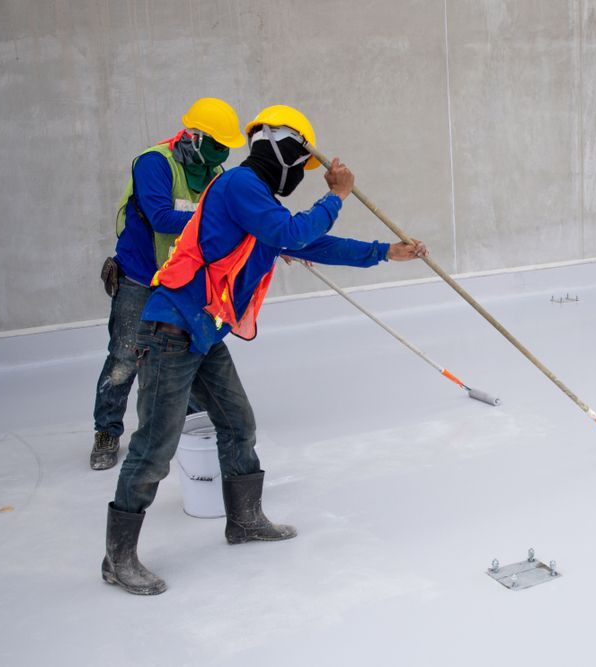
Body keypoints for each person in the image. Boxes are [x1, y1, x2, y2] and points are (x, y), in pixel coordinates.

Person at [102, 104, 428, 595]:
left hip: (204, 331)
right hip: (170, 331)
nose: (301, 173)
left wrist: (384, 252)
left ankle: (245, 521)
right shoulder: (240, 186)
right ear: (283, 152)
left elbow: (310, 244)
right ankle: (117, 560)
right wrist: (337, 195)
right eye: (301, 162)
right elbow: (291, 233)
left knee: (238, 423)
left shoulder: (259, 202)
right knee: (154, 448)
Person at [91, 98, 246, 471]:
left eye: (226, 146)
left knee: (183, 354)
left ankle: (181, 425)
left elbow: (229, 216)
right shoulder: (154, 162)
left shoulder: (214, 170)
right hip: (140, 275)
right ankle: (107, 431)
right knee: (126, 355)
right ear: (193, 137)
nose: (222, 152)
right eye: (216, 143)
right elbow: (161, 217)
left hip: (182, 281)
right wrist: (222, 221)